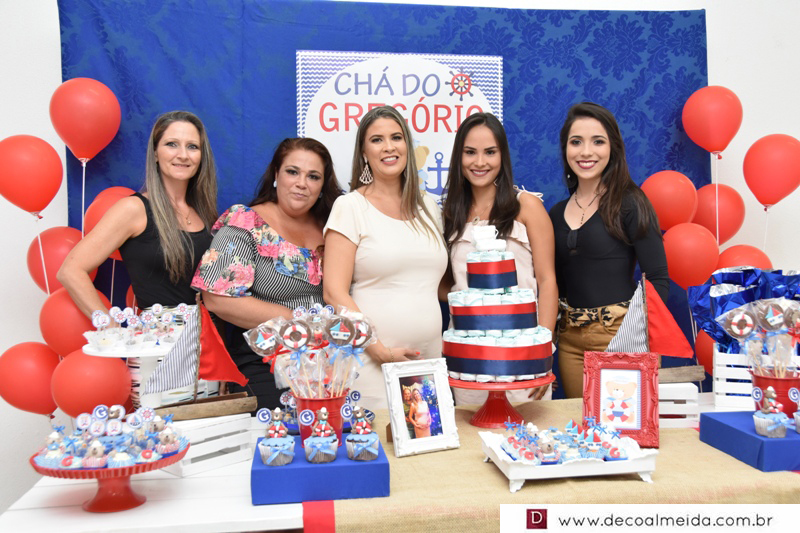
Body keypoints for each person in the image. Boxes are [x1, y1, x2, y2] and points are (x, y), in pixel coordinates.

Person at [191, 138, 342, 410]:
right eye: (292, 172)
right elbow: (216, 299)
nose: (301, 183)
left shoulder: (333, 227)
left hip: (331, 363)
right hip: (265, 361)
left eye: (313, 176)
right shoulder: (246, 222)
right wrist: (301, 321)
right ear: (276, 174)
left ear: (322, 186)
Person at [323, 106, 448, 410]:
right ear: (364, 153)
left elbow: (432, 283)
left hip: (427, 361)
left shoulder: (429, 208)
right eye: (377, 140)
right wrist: (377, 349)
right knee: (378, 437)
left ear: (407, 145)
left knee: (426, 437)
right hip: (371, 361)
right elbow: (334, 292)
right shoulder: (350, 207)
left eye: (396, 137)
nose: (389, 147)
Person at [550, 102, 669, 398]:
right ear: (565, 149)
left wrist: (638, 338)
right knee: (581, 421)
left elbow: (657, 278)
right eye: (576, 142)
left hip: (619, 334)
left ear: (613, 147)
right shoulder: (555, 213)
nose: (586, 152)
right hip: (570, 341)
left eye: (598, 142)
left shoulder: (630, 202)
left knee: (620, 420)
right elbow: (555, 285)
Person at [442, 112, 557, 404]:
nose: (480, 162)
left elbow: (547, 281)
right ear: (458, 156)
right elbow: (447, 283)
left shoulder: (526, 206)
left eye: (490, 152)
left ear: (502, 156)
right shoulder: (449, 214)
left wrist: (542, 353)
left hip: (522, 361)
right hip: (471, 364)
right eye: (470, 152)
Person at [58, 110, 218, 315]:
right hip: (162, 334)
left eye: (192, 146)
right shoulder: (134, 209)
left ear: (202, 156)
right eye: (172, 144)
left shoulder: (205, 214)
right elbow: (71, 271)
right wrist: (108, 325)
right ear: (155, 153)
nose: (183, 155)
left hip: (208, 332)